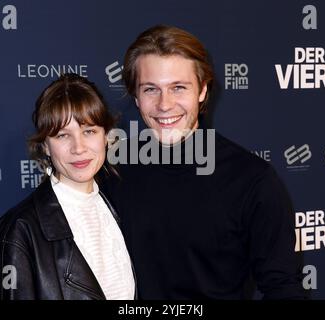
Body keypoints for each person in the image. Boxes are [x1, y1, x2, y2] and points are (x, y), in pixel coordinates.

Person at [99, 25, 307, 299]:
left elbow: (283, 288)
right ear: (136, 97)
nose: (164, 105)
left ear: (202, 91)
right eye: (151, 89)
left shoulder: (252, 179)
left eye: (178, 88)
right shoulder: (111, 168)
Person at [0, 74, 135, 300]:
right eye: (63, 135)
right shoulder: (17, 232)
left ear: (107, 137)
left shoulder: (121, 206)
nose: (78, 148)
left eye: (89, 131)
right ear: (45, 146)